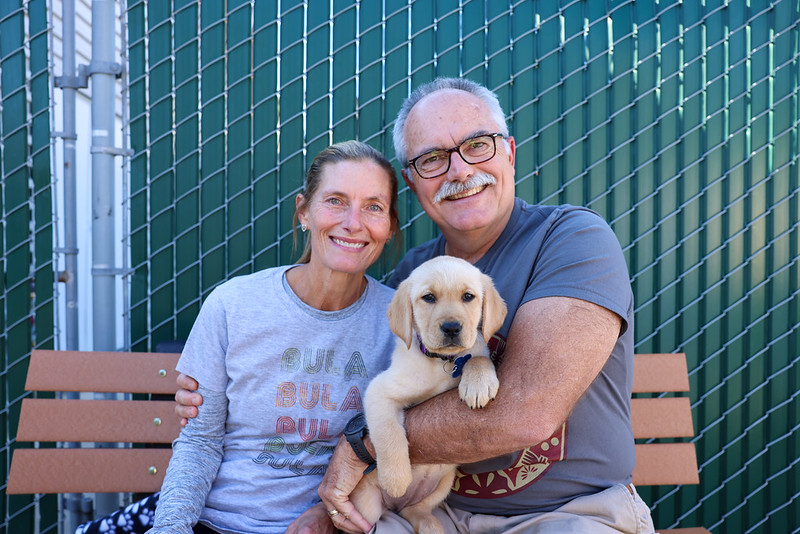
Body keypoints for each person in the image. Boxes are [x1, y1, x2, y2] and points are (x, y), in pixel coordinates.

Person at [177, 78, 655, 534]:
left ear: (509, 152)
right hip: (431, 511)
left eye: (477, 144)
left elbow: (524, 413)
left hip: (563, 513)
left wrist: (361, 446)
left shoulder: (571, 240)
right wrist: (210, 391)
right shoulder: (411, 277)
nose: (460, 170)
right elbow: (353, 365)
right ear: (412, 182)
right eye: (432, 159)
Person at [144, 140, 401, 534]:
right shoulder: (234, 305)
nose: (353, 222)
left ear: (389, 227)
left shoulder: (400, 321)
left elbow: (405, 443)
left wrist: (331, 518)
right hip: (222, 522)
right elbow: (201, 442)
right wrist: (171, 528)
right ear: (304, 212)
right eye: (335, 201)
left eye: (373, 206)